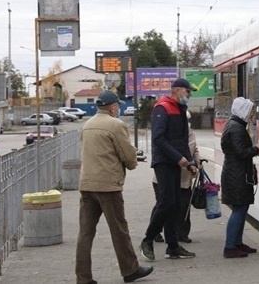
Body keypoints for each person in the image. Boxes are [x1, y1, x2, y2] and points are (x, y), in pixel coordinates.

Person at [75, 90, 153, 284]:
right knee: (119, 230)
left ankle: (83, 277)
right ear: (112, 107)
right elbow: (128, 156)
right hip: (108, 186)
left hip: (87, 185)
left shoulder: (87, 125)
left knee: (85, 233)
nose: (118, 109)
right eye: (117, 106)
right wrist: (133, 162)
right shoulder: (116, 125)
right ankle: (130, 270)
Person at [140, 78, 196, 261]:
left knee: (175, 204)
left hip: (175, 162)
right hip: (163, 162)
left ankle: (173, 247)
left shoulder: (181, 109)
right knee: (166, 202)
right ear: (178, 90)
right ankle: (147, 240)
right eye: (188, 91)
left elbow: (182, 140)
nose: (189, 95)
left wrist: (190, 162)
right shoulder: (162, 108)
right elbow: (158, 138)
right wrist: (178, 158)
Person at [220, 97, 259, 258]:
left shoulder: (234, 125)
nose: (253, 114)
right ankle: (230, 246)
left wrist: (255, 151)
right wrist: (256, 148)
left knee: (242, 208)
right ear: (244, 110)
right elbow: (240, 152)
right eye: (251, 110)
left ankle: (237, 243)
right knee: (239, 209)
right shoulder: (236, 128)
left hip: (237, 173)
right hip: (237, 175)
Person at [150, 119, 200, 243]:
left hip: (184, 178)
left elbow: (194, 149)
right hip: (165, 177)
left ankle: (182, 233)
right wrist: (182, 160)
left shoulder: (189, 132)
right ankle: (155, 232)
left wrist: (197, 162)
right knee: (163, 205)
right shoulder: (168, 134)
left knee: (184, 205)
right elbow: (169, 150)